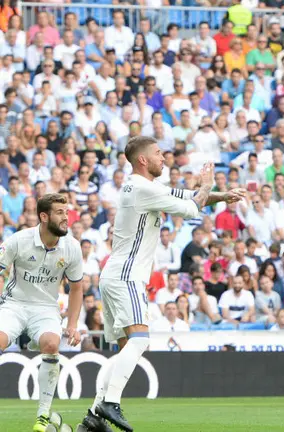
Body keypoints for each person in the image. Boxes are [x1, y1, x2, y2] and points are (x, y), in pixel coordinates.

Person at [84, 136, 245, 431]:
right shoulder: (144, 188)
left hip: (115, 275)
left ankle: (94, 416)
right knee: (140, 340)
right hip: (127, 276)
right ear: (142, 159)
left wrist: (221, 196)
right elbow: (191, 209)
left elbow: (186, 196)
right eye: (158, 153)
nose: (163, 157)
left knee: (125, 350)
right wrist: (208, 184)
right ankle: (110, 403)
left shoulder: (144, 187)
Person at [0, 194, 84, 432]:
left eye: (66, 212)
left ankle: (43, 416)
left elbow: (76, 287)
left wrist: (73, 324)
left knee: (51, 343)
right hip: (14, 304)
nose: (66, 217)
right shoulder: (19, 240)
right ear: (44, 216)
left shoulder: (72, 247)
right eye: (60, 212)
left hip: (46, 308)